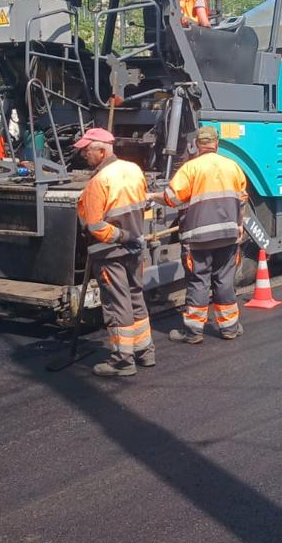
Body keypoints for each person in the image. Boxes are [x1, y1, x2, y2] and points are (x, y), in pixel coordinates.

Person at [153, 125, 249, 344]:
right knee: (224, 280)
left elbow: (172, 199)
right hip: (228, 234)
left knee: (199, 281)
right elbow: (241, 200)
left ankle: (194, 332)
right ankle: (230, 328)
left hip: (198, 239)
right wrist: (239, 226)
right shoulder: (233, 167)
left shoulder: (190, 169)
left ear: (197, 144)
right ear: (217, 144)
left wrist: (151, 196)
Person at [74, 127, 154, 377]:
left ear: (102, 150)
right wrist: (131, 236)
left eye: (87, 151)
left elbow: (95, 225)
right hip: (133, 248)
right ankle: (145, 352)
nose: (84, 155)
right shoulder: (133, 169)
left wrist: (120, 236)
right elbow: (142, 204)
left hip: (110, 252)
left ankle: (122, 361)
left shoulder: (99, 181)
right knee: (135, 297)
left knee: (117, 304)